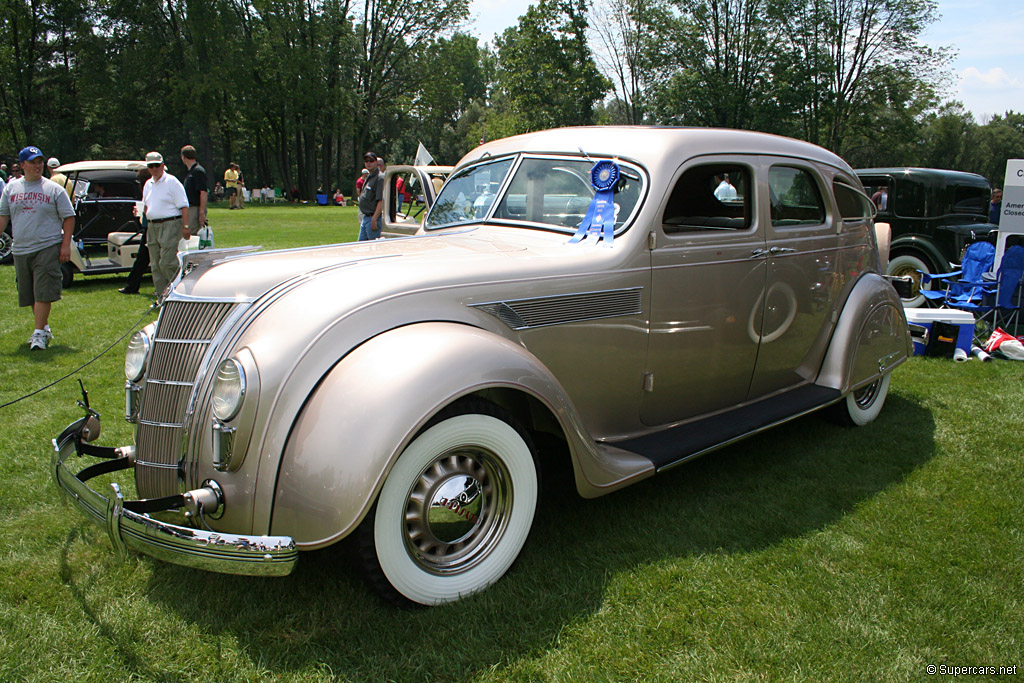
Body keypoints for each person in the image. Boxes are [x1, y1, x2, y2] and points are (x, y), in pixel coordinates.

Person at [0, 146, 75, 350]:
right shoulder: (11, 188)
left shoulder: (53, 189)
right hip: (21, 248)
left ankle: (38, 333)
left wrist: (65, 244)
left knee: (43, 291)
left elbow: (68, 217)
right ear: (22, 165)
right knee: (31, 293)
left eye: (40, 162)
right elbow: (3, 216)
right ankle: (44, 328)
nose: (37, 166)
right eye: (32, 162)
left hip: (47, 245)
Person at [141, 151, 189, 295]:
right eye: (151, 166)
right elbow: (146, 205)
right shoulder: (148, 184)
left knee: (167, 262)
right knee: (155, 265)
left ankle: (180, 290)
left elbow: (184, 205)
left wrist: (186, 227)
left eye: (157, 165)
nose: (154, 169)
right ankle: (162, 296)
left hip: (170, 223)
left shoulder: (172, 182)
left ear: (163, 165)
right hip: (152, 225)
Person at [119, 167, 152, 294]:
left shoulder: (148, 189)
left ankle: (132, 285)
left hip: (151, 227)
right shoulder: (148, 189)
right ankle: (132, 285)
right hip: (148, 226)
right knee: (143, 259)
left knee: (142, 259)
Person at [180, 145, 208, 230]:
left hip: (196, 208)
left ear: (183, 157)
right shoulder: (191, 171)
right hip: (190, 208)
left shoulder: (198, 171)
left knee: (193, 234)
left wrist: (201, 211)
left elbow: (203, 192)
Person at [358, 151, 384, 241]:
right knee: (361, 246)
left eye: (371, 161)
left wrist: (374, 219)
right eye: (366, 161)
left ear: (376, 162)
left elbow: (381, 201)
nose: (368, 163)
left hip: (373, 218)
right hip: (366, 218)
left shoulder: (380, 178)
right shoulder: (369, 177)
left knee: (375, 247)